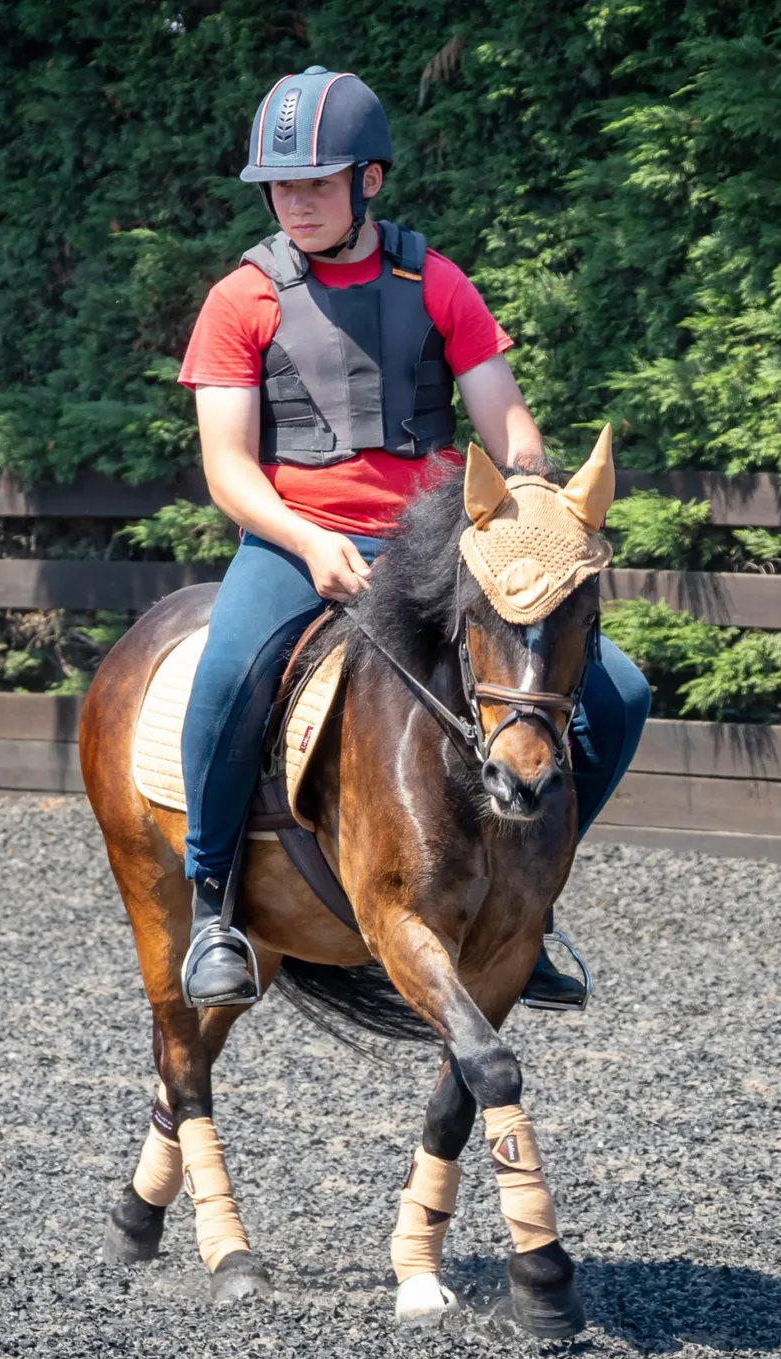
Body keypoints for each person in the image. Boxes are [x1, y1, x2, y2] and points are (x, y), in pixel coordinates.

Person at [174, 66, 650, 1010]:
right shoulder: (241, 300)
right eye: (280, 185)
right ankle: (212, 905)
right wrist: (307, 542)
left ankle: (531, 904)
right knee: (227, 678)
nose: (296, 202)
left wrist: (529, 498)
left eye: (318, 182)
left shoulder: (434, 281)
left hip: (434, 547)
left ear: (370, 181)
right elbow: (227, 469)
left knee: (620, 694)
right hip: (295, 543)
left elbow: (507, 422)